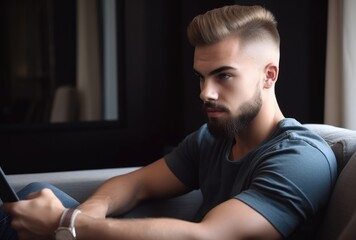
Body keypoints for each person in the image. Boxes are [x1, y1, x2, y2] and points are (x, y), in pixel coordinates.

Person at [1, 4, 337, 240]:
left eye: (223, 76)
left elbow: (207, 237)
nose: (206, 93)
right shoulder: (212, 139)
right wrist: (85, 216)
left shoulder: (302, 158)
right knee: (32, 198)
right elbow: (136, 184)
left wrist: (66, 224)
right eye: (201, 77)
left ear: (269, 75)